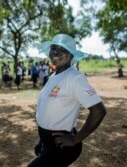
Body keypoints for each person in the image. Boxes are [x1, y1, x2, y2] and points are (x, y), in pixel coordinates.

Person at [28, 34, 107, 167]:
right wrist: (41, 140)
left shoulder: (75, 78)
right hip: (47, 143)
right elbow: (47, 112)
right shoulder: (53, 76)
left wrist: (75, 139)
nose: (55, 52)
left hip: (62, 147)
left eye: (62, 49)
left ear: (71, 55)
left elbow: (99, 111)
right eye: (53, 48)